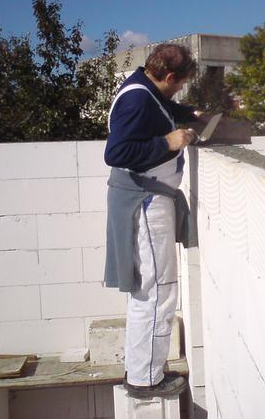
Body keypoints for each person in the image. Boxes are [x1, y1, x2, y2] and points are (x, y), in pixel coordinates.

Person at [103, 43, 201, 399]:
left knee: (147, 290)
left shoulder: (145, 87)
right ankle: (146, 380)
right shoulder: (137, 99)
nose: (180, 89)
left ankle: (141, 370)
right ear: (170, 76)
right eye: (181, 84)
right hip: (145, 201)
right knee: (157, 290)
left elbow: (164, 107)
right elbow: (116, 152)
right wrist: (168, 142)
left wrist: (191, 113)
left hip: (147, 197)